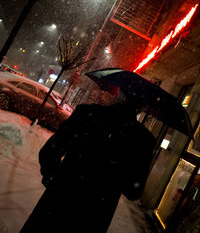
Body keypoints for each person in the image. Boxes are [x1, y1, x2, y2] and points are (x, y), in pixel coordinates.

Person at [20, 88, 156, 233]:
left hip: (56, 203)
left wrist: (54, 179)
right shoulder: (143, 141)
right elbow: (133, 191)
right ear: (142, 107)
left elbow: (49, 152)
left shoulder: (86, 114)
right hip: (94, 218)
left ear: (119, 95)